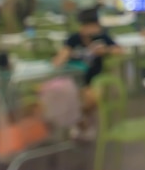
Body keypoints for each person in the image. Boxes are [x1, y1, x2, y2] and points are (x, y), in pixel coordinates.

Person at [53, 8, 123, 139]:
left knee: (90, 99)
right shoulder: (74, 39)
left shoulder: (102, 38)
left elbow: (119, 50)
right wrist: (66, 55)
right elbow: (58, 60)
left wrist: (106, 51)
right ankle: (81, 123)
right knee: (64, 97)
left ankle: (80, 122)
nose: (93, 30)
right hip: (73, 80)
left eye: (95, 26)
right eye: (89, 26)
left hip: (94, 79)